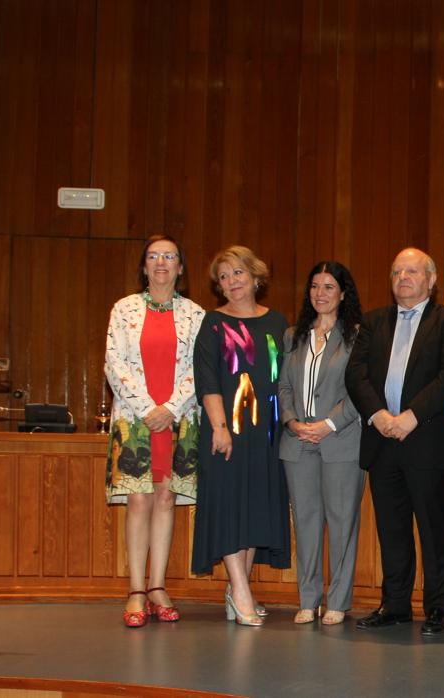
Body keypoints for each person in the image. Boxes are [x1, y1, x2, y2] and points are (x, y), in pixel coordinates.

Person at [345, 248, 444, 636]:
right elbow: (356, 376)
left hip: (426, 441)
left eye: (412, 271)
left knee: (434, 529)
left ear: (430, 279)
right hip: (382, 442)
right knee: (391, 529)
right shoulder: (374, 321)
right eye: (396, 272)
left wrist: (410, 417)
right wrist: (380, 416)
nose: (403, 278)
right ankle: (395, 604)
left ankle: (436, 608)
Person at [104, 235, 205, 628]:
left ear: (181, 268)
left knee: (165, 500)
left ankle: (159, 585)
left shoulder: (195, 314)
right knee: (139, 501)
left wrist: (171, 408)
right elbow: (113, 363)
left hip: (178, 421)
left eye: (170, 257)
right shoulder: (123, 309)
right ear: (144, 266)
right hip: (136, 419)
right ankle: (135, 590)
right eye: (153, 256)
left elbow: (202, 368)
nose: (161, 262)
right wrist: (149, 409)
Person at [192, 245, 291, 626]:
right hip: (227, 431)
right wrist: (219, 427)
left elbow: (285, 379)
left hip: (266, 433)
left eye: (237, 273)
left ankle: (238, 590)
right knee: (232, 506)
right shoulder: (213, 323)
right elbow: (208, 381)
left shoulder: (278, 322)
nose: (231, 282)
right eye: (223, 277)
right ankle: (241, 591)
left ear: (254, 276)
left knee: (253, 509)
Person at [278, 261, 364, 627]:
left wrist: (328, 424)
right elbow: (283, 386)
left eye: (329, 286)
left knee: (342, 521)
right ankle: (308, 599)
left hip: (341, 440)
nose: (320, 294)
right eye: (315, 286)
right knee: (307, 523)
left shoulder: (358, 335)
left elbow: (361, 389)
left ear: (343, 293)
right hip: (298, 442)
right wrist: (293, 421)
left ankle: (339, 600)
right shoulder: (293, 335)